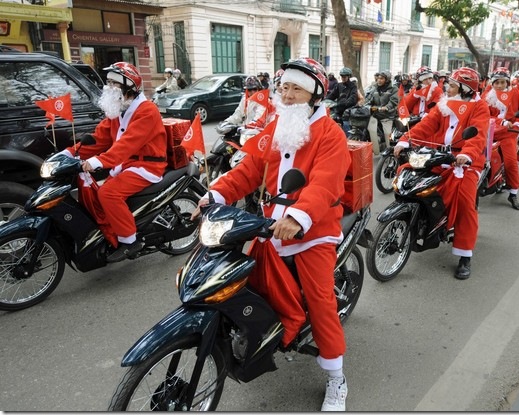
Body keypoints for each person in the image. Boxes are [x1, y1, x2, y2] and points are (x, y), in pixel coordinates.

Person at [192, 57, 351, 411]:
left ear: (314, 95)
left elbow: (325, 183)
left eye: (297, 89)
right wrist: (214, 194)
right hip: (270, 226)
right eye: (285, 87)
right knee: (243, 281)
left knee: (321, 299)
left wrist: (298, 215)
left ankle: (336, 378)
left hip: (312, 231)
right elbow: (248, 169)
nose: (288, 95)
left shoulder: (331, 134)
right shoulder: (277, 126)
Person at [61, 62, 168, 262]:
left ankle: (130, 241)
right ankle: (111, 231)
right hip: (125, 164)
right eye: (108, 82)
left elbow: (127, 144)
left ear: (129, 88)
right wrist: (69, 153)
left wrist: (99, 162)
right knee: (98, 191)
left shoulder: (147, 111)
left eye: (114, 83)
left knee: (108, 193)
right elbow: (98, 138)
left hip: (146, 165)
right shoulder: (118, 110)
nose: (108, 87)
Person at [393, 67, 489, 280]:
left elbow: (478, 135)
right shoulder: (444, 103)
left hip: (464, 162)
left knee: (465, 202)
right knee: (406, 173)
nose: (448, 87)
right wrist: (406, 140)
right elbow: (427, 124)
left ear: (464, 88)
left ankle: (465, 255)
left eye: (453, 85)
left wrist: (467, 154)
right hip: (436, 154)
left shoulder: (480, 106)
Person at [484, 67, 519, 210]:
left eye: (502, 82)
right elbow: (482, 114)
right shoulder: (486, 94)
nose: (499, 85)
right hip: (488, 132)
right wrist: (499, 121)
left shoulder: (516, 93)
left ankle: (513, 193)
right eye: (496, 82)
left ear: (508, 82)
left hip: (508, 133)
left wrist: (518, 123)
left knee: (511, 162)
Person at [364, 70, 399, 155]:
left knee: (388, 134)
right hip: (375, 114)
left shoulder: (394, 89)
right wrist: (366, 105)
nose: (379, 80)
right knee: (370, 129)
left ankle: (390, 153)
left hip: (387, 115)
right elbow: (368, 100)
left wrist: (387, 107)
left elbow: (393, 101)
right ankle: (375, 150)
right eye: (378, 78)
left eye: (382, 78)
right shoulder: (374, 88)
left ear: (387, 80)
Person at [326, 66, 358, 135]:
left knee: (345, 120)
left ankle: (347, 137)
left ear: (349, 76)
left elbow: (353, 99)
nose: (343, 78)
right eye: (342, 76)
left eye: (344, 76)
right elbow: (331, 96)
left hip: (348, 110)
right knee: (331, 118)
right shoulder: (338, 86)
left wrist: (344, 103)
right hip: (338, 109)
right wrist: (324, 101)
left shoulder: (353, 86)